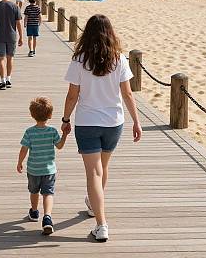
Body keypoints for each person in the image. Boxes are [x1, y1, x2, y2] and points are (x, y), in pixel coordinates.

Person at [61, 14, 142, 242]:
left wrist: (65, 119)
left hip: (87, 122)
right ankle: (94, 206)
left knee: (94, 173)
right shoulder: (119, 59)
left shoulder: (80, 60)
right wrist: (136, 120)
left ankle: (101, 224)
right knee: (102, 169)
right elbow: (127, 93)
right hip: (113, 122)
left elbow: (72, 95)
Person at [17, 97, 69, 234]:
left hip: (33, 169)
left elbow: (24, 149)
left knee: (34, 191)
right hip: (49, 170)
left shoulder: (29, 132)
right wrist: (64, 135)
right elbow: (59, 146)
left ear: (32, 115)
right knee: (48, 194)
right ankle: (47, 217)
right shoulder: (52, 131)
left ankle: (34, 212)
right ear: (50, 115)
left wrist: (20, 162)